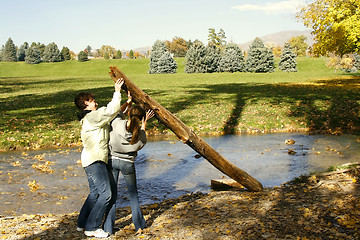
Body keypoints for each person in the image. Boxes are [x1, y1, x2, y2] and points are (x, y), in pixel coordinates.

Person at [74, 79, 125, 238]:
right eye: (91, 100)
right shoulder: (91, 117)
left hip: (90, 160)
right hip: (95, 161)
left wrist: (126, 104)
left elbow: (111, 115)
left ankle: (81, 223)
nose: (95, 102)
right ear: (85, 104)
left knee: (95, 194)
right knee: (106, 194)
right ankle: (92, 227)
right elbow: (109, 111)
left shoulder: (90, 118)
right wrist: (117, 91)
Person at [103, 104, 155, 235]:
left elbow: (117, 112)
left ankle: (108, 227)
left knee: (112, 195)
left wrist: (127, 101)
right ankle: (139, 225)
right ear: (142, 118)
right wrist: (144, 124)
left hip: (112, 160)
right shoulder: (140, 134)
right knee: (133, 195)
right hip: (128, 163)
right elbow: (141, 142)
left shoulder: (116, 123)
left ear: (128, 114)